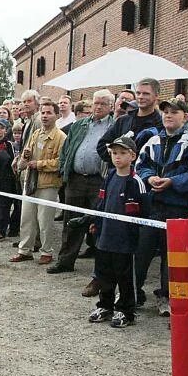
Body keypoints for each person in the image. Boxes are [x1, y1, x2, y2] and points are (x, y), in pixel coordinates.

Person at [133, 97, 188, 315]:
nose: (168, 115)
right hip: (153, 207)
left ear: (185, 117)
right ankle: (133, 292)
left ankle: (167, 296)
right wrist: (149, 179)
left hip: (178, 208)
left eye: (174, 112)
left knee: (171, 257)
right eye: (165, 111)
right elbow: (140, 165)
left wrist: (173, 182)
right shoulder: (153, 140)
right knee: (142, 251)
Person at [87, 136, 149, 329]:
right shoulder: (110, 177)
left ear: (133, 156)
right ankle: (105, 305)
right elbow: (102, 202)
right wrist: (96, 223)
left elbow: (144, 213)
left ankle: (126, 310)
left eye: (122, 153)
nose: (118, 157)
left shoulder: (136, 182)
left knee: (124, 276)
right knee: (104, 273)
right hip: (105, 236)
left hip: (125, 240)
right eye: (114, 153)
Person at [50, 90, 114, 275]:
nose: (98, 106)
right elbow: (66, 149)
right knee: (71, 221)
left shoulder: (114, 126)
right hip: (76, 179)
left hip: (99, 180)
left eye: (103, 103)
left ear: (111, 106)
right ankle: (65, 261)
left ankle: (101, 267)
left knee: (100, 222)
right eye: (96, 103)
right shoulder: (79, 125)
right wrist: (64, 170)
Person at [10, 99, 66, 265]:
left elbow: (60, 162)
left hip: (48, 184)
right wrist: (23, 159)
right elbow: (26, 154)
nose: (44, 116)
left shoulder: (61, 137)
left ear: (56, 115)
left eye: (49, 112)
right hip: (31, 182)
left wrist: (39, 164)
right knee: (26, 218)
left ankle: (46, 251)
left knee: (44, 220)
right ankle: (24, 250)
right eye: (42, 112)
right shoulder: (36, 134)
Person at [98, 78, 163, 162]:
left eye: (146, 94)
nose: (140, 97)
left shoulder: (161, 124)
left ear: (156, 96)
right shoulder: (123, 120)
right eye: (138, 93)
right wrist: (115, 156)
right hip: (118, 173)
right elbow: (101, 145)